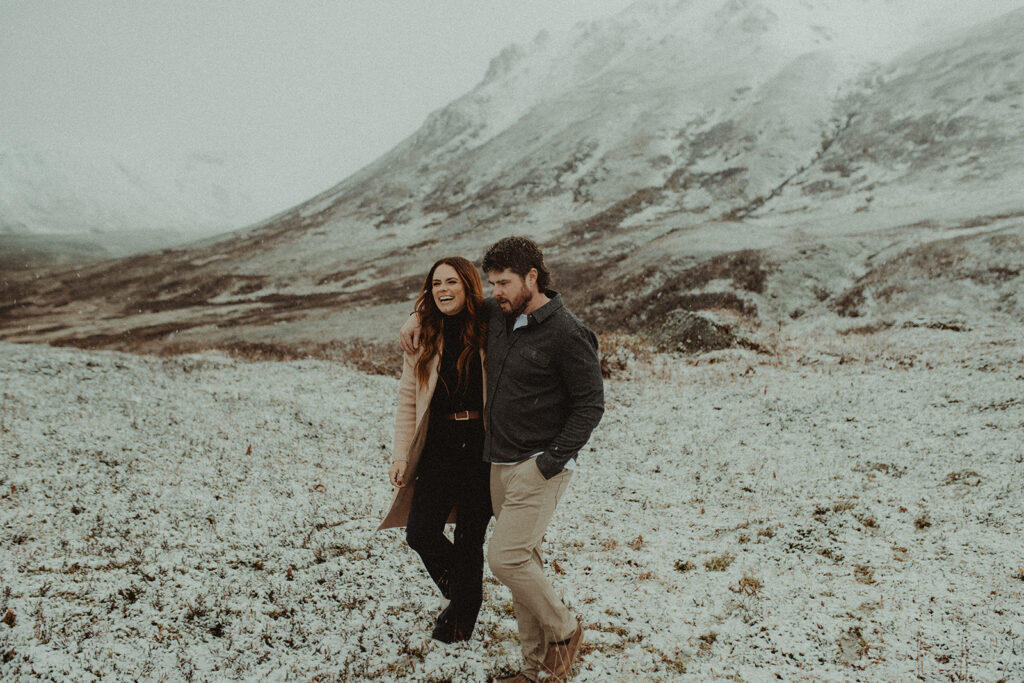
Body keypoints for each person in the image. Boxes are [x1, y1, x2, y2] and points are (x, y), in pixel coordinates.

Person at [401, 236, 604, 682]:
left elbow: (590, 406)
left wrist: (551, 461)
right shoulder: (498, 314)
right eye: (492, 283)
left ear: (533, 277)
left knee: (506, 560)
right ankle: (534, 671)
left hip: (539, 466)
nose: (496, 292)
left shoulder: (569, 334)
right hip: (497, 463)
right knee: (523, 563)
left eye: (505, 283)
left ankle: (565, 630)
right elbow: (449, 304)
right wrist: (415, 316)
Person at [379, 256, 492, 643]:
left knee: (468, 538)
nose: (443, 289)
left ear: (468, 286)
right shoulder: (424, 335)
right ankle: (464, 590)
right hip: (438, 449)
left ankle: (461, 619)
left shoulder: (490, 327)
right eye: (435, 284)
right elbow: (407, 400)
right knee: (419, 532)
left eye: (451, 282)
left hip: (481, 449)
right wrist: (400, 455)